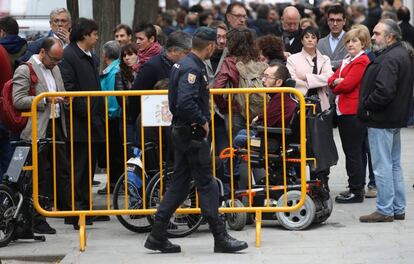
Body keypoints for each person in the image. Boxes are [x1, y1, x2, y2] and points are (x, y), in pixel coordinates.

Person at [144, 27, 248, 254]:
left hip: (182, 132)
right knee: (207, 185)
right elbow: (185, 102)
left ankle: (157, 235)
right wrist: (203, 121)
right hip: (191, 134)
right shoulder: (192, 67)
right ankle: (220, 237)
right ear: (210, 46)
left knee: (180, 186)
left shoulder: (182, 64)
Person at [12, 37, 71, 234]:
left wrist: (64, 100)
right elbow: (18, 100)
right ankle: (37, 218)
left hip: (56, 124)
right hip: (37, 128)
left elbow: (60, 91)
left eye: (58, 60)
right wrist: (45, 100)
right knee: (40, 174)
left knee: (62, 168)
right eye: (53, 59)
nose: (56, 63)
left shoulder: (54, 68)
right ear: (43, 52)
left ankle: (68, 212)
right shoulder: (25, 69)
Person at [358, 19, 414, 222]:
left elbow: (384, 91)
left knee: (383, 167)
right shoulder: (399, 53)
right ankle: (397, 208)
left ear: (390, 37)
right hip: (392, 119)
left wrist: (366, 105)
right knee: (394, 165)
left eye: (377, 33)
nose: (373, 37)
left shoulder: (391, 57)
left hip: (382, 120)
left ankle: (385, 209)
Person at [59, 18, 108, 226]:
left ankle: (85, 207)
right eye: (94, 34)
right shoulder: (69, 55)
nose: (97, 37)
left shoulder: (91, 56)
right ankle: (76, 211)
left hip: (94, 120)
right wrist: (87, 111)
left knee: (88, 167)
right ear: (85, 35)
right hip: (80, 121)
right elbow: (69, 89)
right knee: (78, 168)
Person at [223, 63, 297, 184]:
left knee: (239, 139)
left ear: (278, 82)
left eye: (267, 77)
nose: (263, 80)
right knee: (242, 133)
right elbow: (270, 117)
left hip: (272, 141)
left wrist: (258, 125)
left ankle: (229, 176)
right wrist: (259, 118)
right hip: (274, 137)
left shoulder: (281, 98)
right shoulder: (283, 95)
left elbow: (269, 122)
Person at [327, 28, 371, 203]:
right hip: (344, 110)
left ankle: (356, 190)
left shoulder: (361, 60)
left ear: (363, 43)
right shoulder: (347, 59)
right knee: (355, 152)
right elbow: (332, 79)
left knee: (353, 152)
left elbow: (347, 85)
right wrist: (337, 82)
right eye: (348, 41)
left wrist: (338, 83)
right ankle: (356, 185)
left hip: (352, 111)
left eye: (355, 41)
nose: (351, 44)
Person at [214, 28, 266, 138]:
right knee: (256, 146)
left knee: (237, 147)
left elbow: (217, 89)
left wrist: (224, 107)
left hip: (236, 110)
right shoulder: (258, 60)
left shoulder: (230, 61)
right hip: (259, 109)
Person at [130, 31, 192, 124]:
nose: (189, 57)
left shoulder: (184, 65)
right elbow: (135, 96)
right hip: (154, 123)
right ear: (174, 51)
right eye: (186, 53)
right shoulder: (152, 66)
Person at [97, 40, 123, 195]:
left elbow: (113, 100)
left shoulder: (113, 72)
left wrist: (109, 114)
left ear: (105, 54)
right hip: (112, 117)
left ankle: (115, 184)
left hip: (113, 119)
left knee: (114, 154)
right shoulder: (114, 69)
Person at [287, 26, 333, 112]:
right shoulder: (292, 59)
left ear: (317, 41)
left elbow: (329, 78)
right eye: (306, 37)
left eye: (313, 37)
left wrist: (306, 77)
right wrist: (318, 81)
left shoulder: (325, 59)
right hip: (299, 102)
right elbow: (292, 81)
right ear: (302, 40)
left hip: (321, 103)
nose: (310, 40)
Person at [204, 21, 229, 154]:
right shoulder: (201, 54)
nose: (221, 41)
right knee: (202, 154)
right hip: (204, 112)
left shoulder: (230, 55)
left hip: (222, 112)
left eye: (224, 37)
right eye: (218, 37)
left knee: (224, 154)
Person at [114, 43, 138, 144]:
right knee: (130, 150)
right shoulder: (120, 73)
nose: (127, 58)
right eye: (124, 55)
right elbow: (120, 97)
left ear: (137, 55)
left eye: (130, 54)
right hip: (127, 118)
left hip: (142, 117)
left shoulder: (144, 71)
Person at [317, 5, 348, 71]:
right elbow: (317, 63)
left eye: (338, 20)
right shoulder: (320, 43)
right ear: (328, 21)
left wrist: (327, 64)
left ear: (344, 21)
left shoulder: (352, 40)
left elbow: (351, 61)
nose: (335, 24)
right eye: (332, 20)